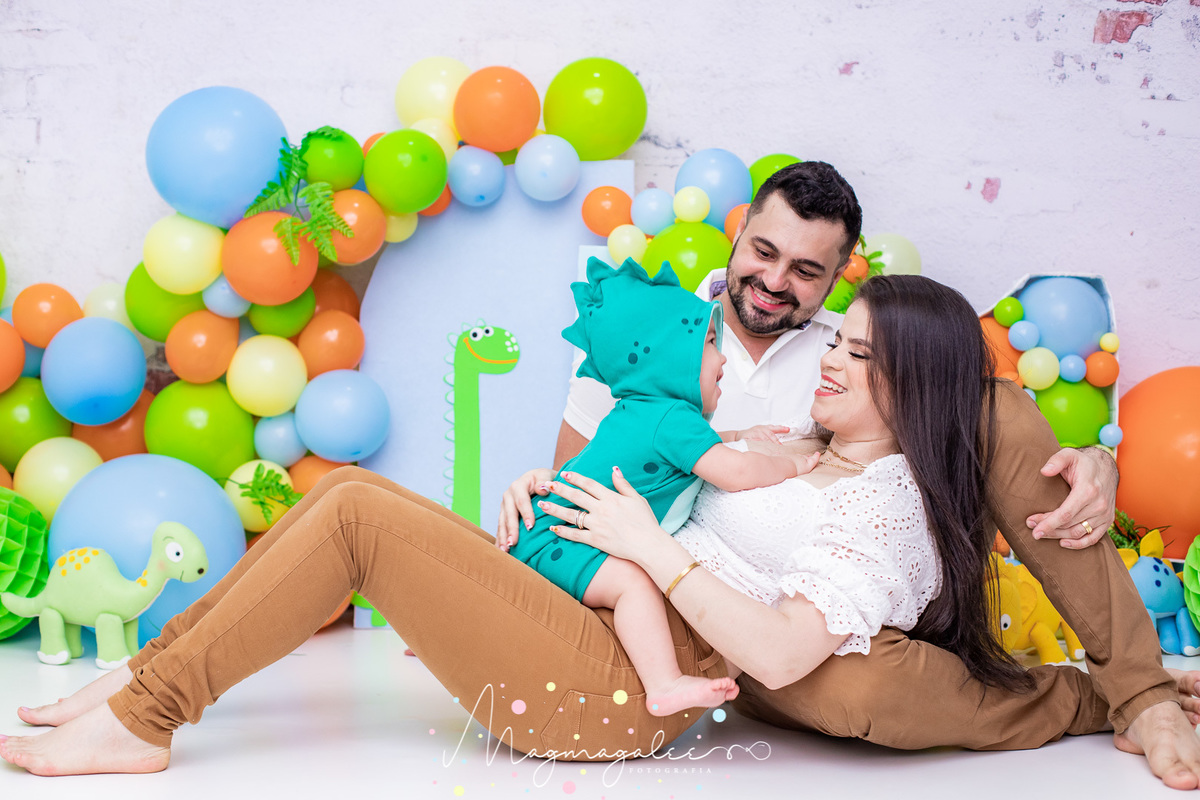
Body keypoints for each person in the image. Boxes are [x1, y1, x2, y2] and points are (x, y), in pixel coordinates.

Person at [4, 165, 1199, 789]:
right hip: (598, 599)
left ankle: (143, 714)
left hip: (646, 663)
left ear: (837, 279)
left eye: (809, 276)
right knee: (342, 501)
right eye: (763, 253)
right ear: (736, 240)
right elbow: (583, 485)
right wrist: (529, 503)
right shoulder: (656, 343)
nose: (778, 285)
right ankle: (142, 683)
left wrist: (1092, 453)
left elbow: (972, 405)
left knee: (355, 506)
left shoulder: (842, 382)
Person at [498, 257, 819, 717]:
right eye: (711, 344)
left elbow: (695, 445)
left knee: (523, 601)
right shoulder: (671, 419)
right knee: (635, 584)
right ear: (673, 361)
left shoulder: (646, 411)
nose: (723, 358)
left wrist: (742, 434)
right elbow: (735, 472)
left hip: (544, 528)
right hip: (564, 538)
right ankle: (664, 684)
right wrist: (791, 466)